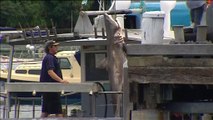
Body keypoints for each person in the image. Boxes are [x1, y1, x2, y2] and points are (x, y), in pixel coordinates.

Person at [40, 40, 69, 118]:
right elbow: (50, 71)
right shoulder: (49, 58)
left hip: (47, 89)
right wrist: (61, 81)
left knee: (45, 112)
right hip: (51, 89)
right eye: (55, 46)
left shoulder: (50, 57)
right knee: (58, 111)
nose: (57, 47)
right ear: (50, 47)